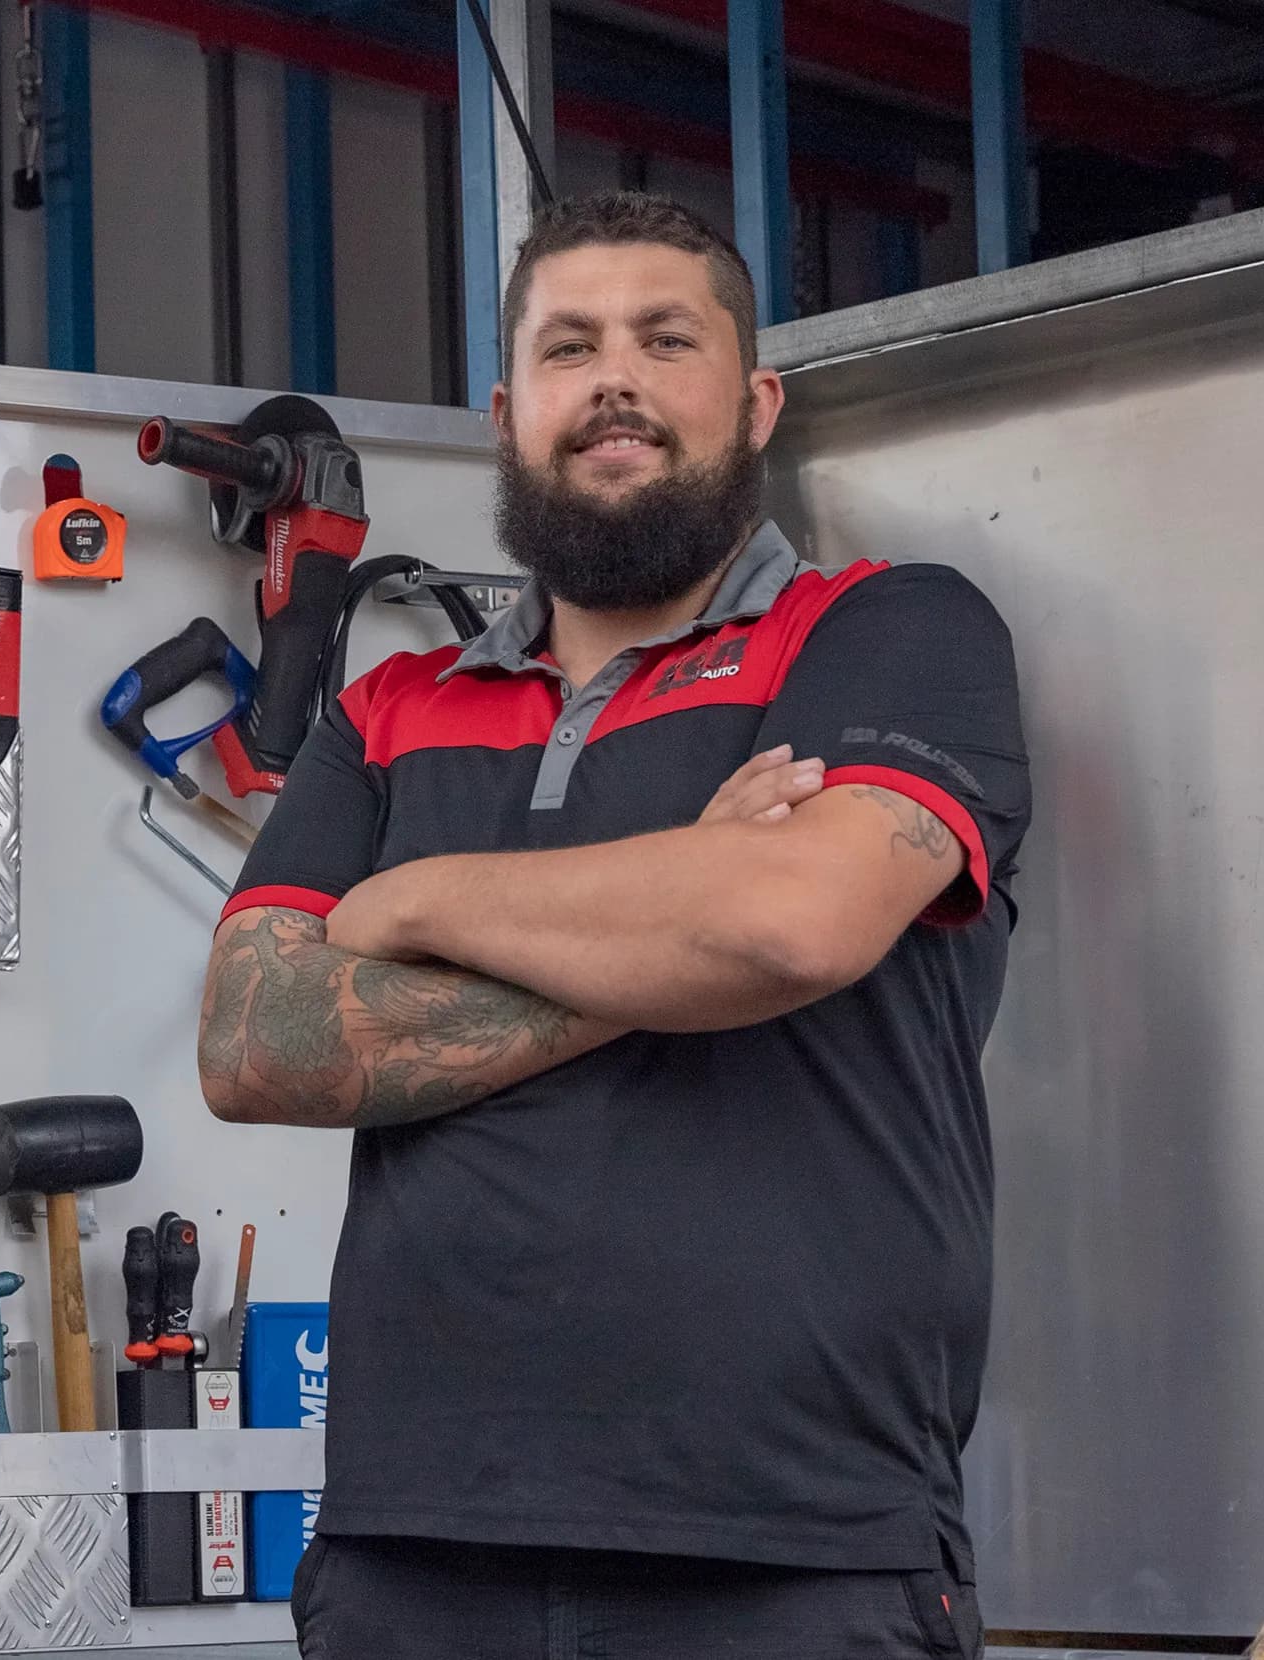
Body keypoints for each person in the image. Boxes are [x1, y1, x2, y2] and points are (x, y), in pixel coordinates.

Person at [198, 194, 1029, 1659]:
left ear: (754, 398)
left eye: (666, 338)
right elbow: (255, 1043)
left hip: (790, 1547)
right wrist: (673, 919)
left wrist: (419, 903)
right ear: (510, 412)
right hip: (412, 1543)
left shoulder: (883, 631)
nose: (615, 381)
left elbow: (789, 924)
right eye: (569, 347)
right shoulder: (393, 711)